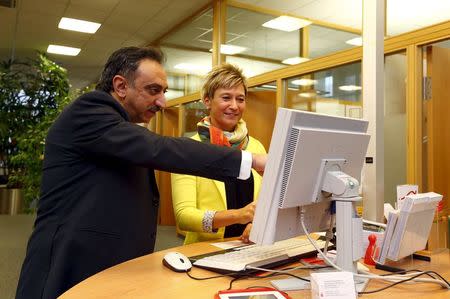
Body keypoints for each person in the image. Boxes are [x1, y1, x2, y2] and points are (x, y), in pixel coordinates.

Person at [15, 47, 266, 299]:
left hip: (111, 267)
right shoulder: (90, 112)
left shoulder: (122, 128)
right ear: (121, 86)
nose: (162, 102)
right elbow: (160, 148)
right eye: (153, 90)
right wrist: (251, 160)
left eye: (164, 92)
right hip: (68, 267)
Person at [171, 64, 266, 245]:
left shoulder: (256, 148)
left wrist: (257, 223)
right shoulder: (189, 149)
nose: (234, 106)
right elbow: (183, 216)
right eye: (226, 98)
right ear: (207, 101)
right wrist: (238, 216)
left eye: (240, 99)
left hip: (252, 247)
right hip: (204, 250)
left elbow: (269, 201)